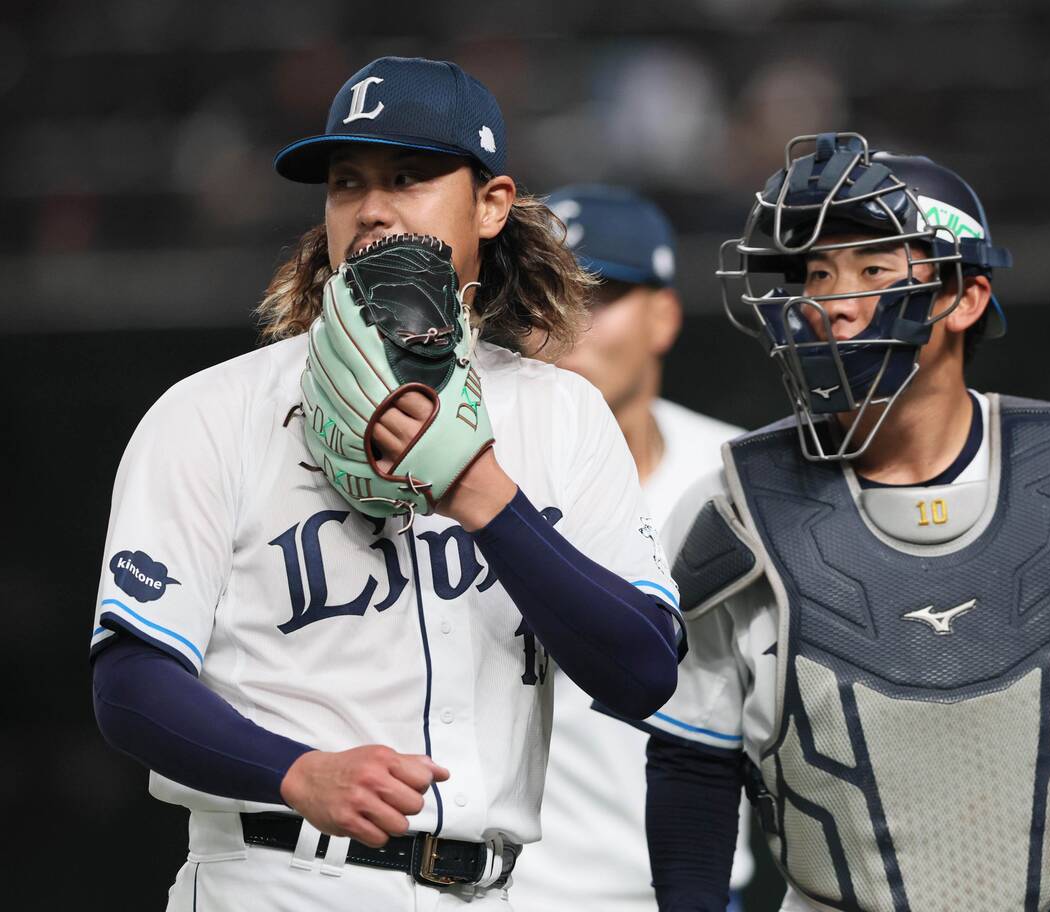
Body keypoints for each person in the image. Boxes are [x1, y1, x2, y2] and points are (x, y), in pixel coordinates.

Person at [89, 56, 684, 911]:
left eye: (408, 177)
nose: (371, 207)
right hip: (275, 877)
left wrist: (484, 496)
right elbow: (130, 683)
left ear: (491, 203)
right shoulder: (212, 412)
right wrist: (291, 772)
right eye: (345, 183)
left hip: (485, 891)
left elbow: (642, 673)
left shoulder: (562, 414)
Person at [633, 132, 1050, 911]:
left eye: (872, 268)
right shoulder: (738, 507)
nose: (836, 302)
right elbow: (693, 765)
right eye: (817, 273)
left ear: (964, 296)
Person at [510, 185, 753, 912]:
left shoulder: (734, 477)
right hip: (487, 891)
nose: (568, 323)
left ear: (665, 316)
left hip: (693, 891)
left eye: (600, 294)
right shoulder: (457, 476)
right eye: (545, 295)